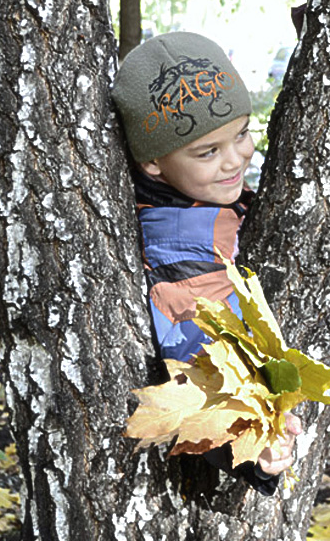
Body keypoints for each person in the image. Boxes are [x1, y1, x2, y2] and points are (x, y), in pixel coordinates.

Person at [112, 32, 300, 492]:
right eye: (208, 151)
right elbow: (197, 357)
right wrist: (254, 444)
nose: (236, 159)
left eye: (242, 134)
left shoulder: (198, 201)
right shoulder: (180, 246)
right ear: (153, 162)